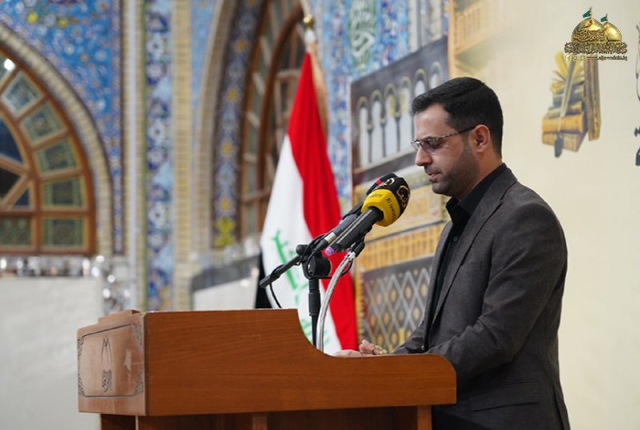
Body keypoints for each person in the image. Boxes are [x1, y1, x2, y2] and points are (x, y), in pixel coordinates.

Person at [336, 77, 571, 430]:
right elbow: (431, 334)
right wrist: (383, 369)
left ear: (479, 138)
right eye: (419, 145)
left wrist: (398, 375)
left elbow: (495, 337)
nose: (420, 159)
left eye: (432, 144)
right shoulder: (456, 224)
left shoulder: (525, 217)